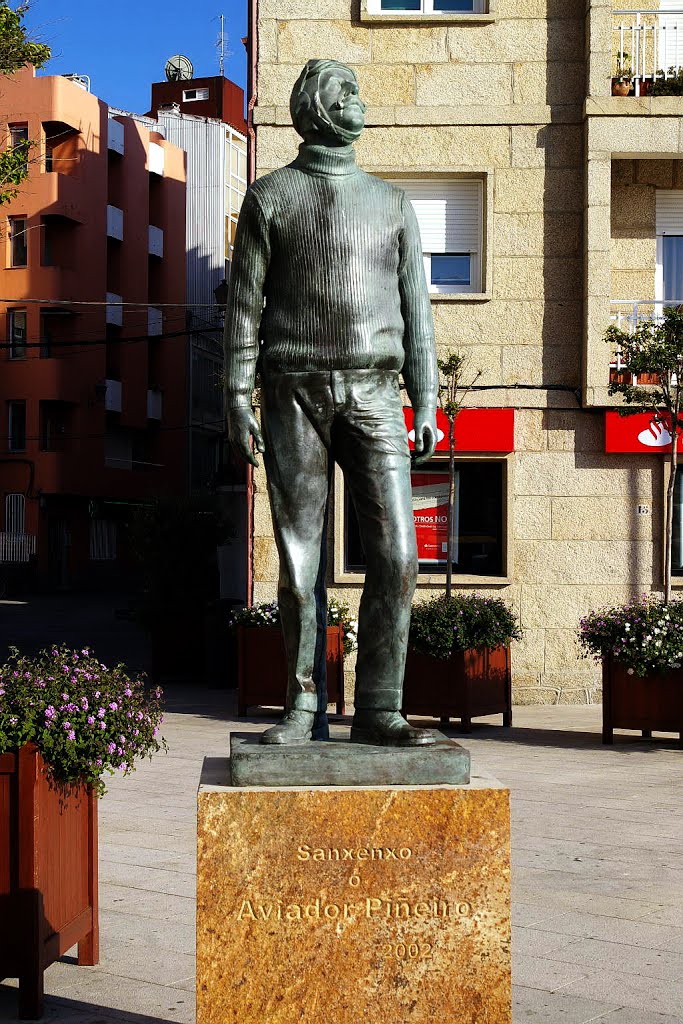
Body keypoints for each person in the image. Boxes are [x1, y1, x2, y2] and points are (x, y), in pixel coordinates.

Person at [224, 59, 439, 746]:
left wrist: (426, 398)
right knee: (298, 561)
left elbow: (416, 314)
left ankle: (380, 707)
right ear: (315, 109)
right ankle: (300, 706)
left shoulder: (393, 202)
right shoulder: (271, 197)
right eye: (345, 92)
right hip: (293, 389)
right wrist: (235, 390)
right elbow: (244, 306)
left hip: (376, 390)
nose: (359, 101)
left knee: (398, 555)